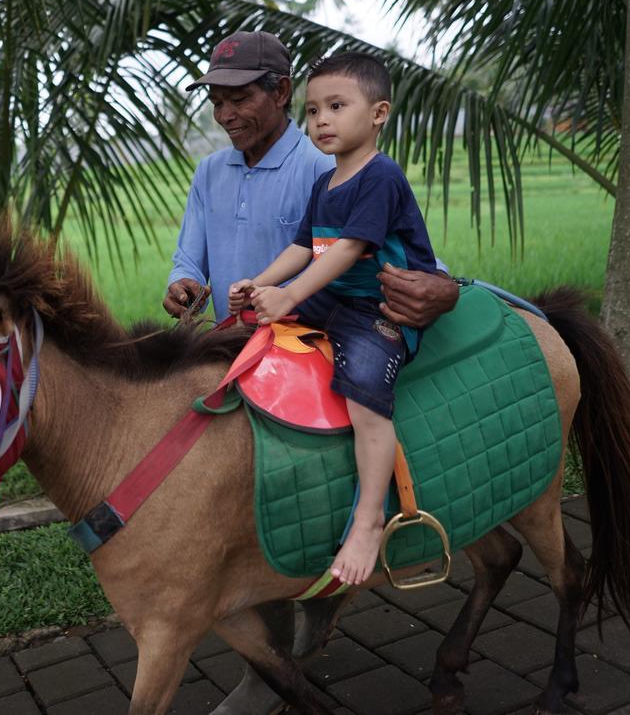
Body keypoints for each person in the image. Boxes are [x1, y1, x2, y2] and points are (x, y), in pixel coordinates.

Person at [227, 51, 436, 585]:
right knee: (252, 342)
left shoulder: (380, 177)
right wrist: (261, 284)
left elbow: (345, 251)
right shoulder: (326, 183)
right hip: (333, 297)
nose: (322, 120)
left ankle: (369, 517)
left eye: (337, 106)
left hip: (377, 306)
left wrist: (290, 294)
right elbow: (303, 246)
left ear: (378, 113)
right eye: (314, 109)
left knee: (365, 393)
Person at [164, 31, 456, 330]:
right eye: (217, 103)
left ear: (281, 92)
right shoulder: (209, 172)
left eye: (239, 99)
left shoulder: (331, 168)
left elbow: (400, 245)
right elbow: (189, 260)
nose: (225, 115)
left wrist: (442, 285)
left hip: (304, 346)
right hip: (229, 346)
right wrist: (183, 285)